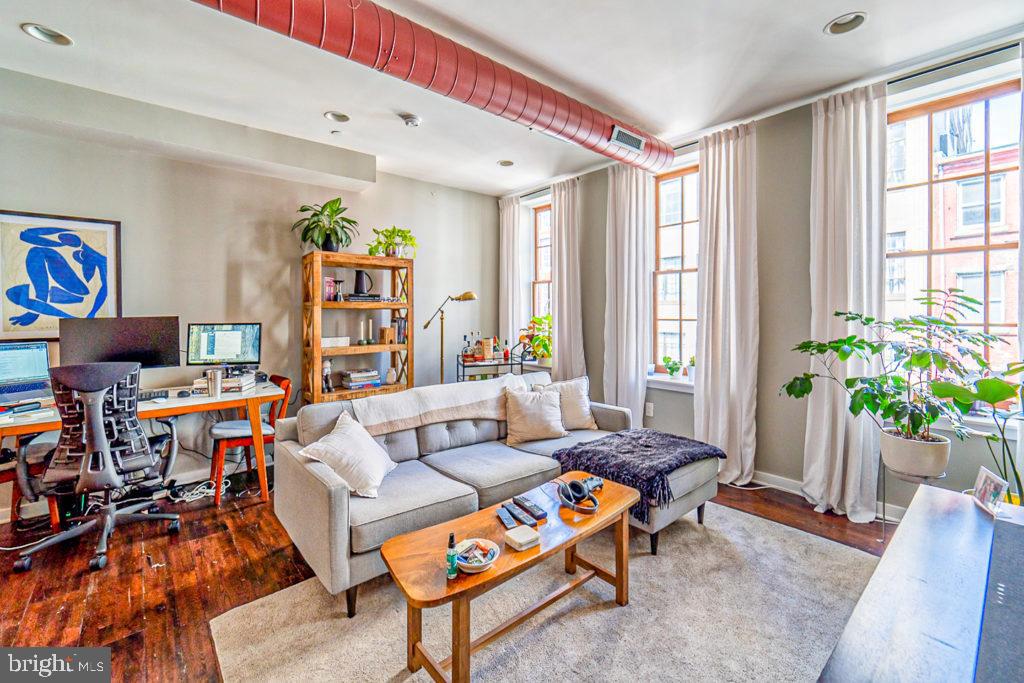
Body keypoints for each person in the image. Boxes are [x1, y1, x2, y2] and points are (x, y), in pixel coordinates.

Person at [5, 227, 108, 327]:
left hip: (80, 290)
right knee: (13, 293)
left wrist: (92, 312)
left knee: (36, 252)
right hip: (68, 295)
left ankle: (39, 305)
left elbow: (106, 287)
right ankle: (40, 306)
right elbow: (25, 235)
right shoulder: (70, 243)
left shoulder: (99, 257)